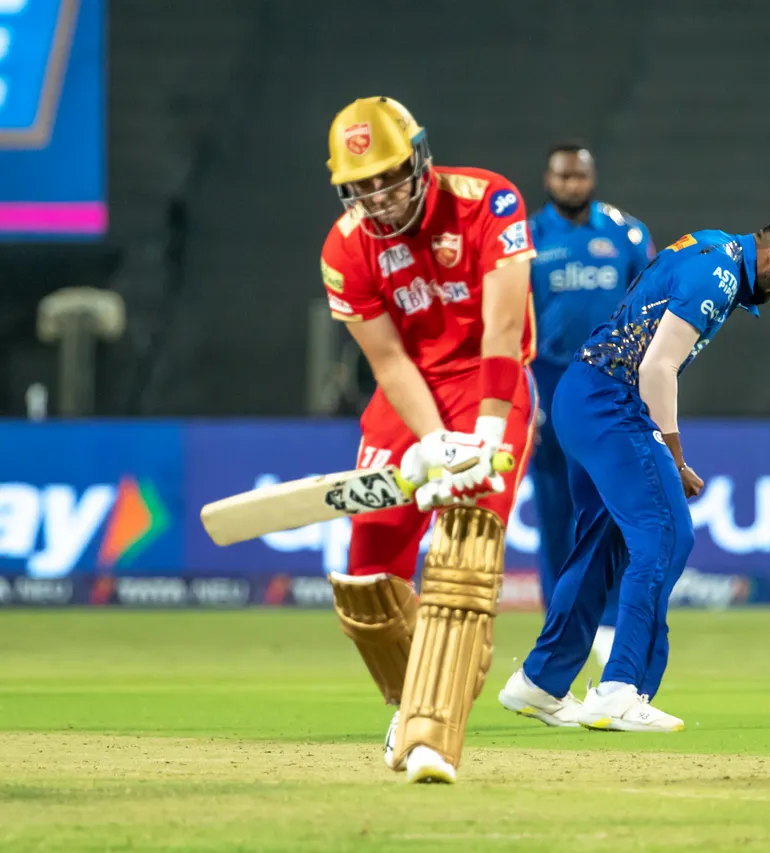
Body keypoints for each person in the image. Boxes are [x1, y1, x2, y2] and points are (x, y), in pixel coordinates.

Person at [498, 214, 770, 731]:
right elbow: (658, 367)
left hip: (580, 395)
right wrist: (674, 459)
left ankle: (540, 682)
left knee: (599, 547)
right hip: (612, 402)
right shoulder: (719, 275)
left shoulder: (714, 245)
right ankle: (618, 691)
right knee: (667, 535)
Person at [318, 96, 542, 784]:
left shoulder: (489, 201)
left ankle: (429, 736)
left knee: (461, 564)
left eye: (390, 176)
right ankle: (416, 693)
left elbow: (503, 334)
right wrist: (435, 441)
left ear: (419, 158)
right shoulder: (344, 246)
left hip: (491, 388)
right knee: (365, 581)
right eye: (363, 185)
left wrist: (478, 439)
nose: (379, 196)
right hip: (410, 397)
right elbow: (387, 361)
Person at [525, 142, 655, 667]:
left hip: (610, 381)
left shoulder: (626, 233)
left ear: (592, 177)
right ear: (548, 179)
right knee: (555, 507)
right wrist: (525, 393)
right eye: (563, 176)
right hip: (550, 381)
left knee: (614, 503)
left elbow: (647, 311)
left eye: (580, 175)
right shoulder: (530, 237)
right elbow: (514, 320)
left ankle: (606, 622)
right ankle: (559, 621)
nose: (573, 184)